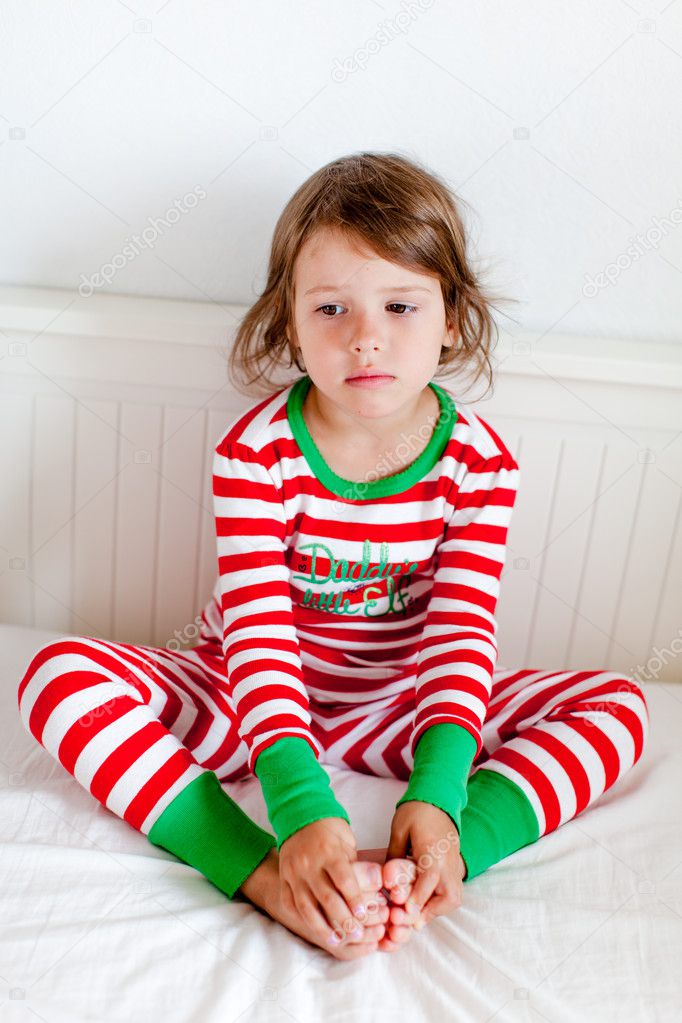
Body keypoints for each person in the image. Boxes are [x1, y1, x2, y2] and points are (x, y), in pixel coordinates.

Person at [17, 152, 649, 960]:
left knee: (619, 705)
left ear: (451, 315)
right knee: (57, 678)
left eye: (399, 304)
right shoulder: (257, 453)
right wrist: (300, 811)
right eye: (331, 308)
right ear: (289, 322)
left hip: (402, 709)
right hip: (248, 700)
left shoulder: (480, 463)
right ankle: (258, 875)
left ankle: (444, 863)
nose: (365, 339)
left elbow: (460, 635)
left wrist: (440, 797)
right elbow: (259, 635)